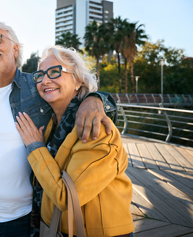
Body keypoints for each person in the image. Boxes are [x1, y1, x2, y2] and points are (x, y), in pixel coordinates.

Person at [0, 19, 118, 237]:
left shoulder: (38, 86)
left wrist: (95, 99)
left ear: (15, 49)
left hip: (26, 218)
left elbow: (71, 93)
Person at [16, 45, 134, 237]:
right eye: (40, 75)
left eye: (55, 72)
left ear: (78, 80)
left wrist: (35, 147)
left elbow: (67, 198)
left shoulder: (95, 127)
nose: (45, 80)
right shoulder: (51, 125)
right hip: (55, 228)